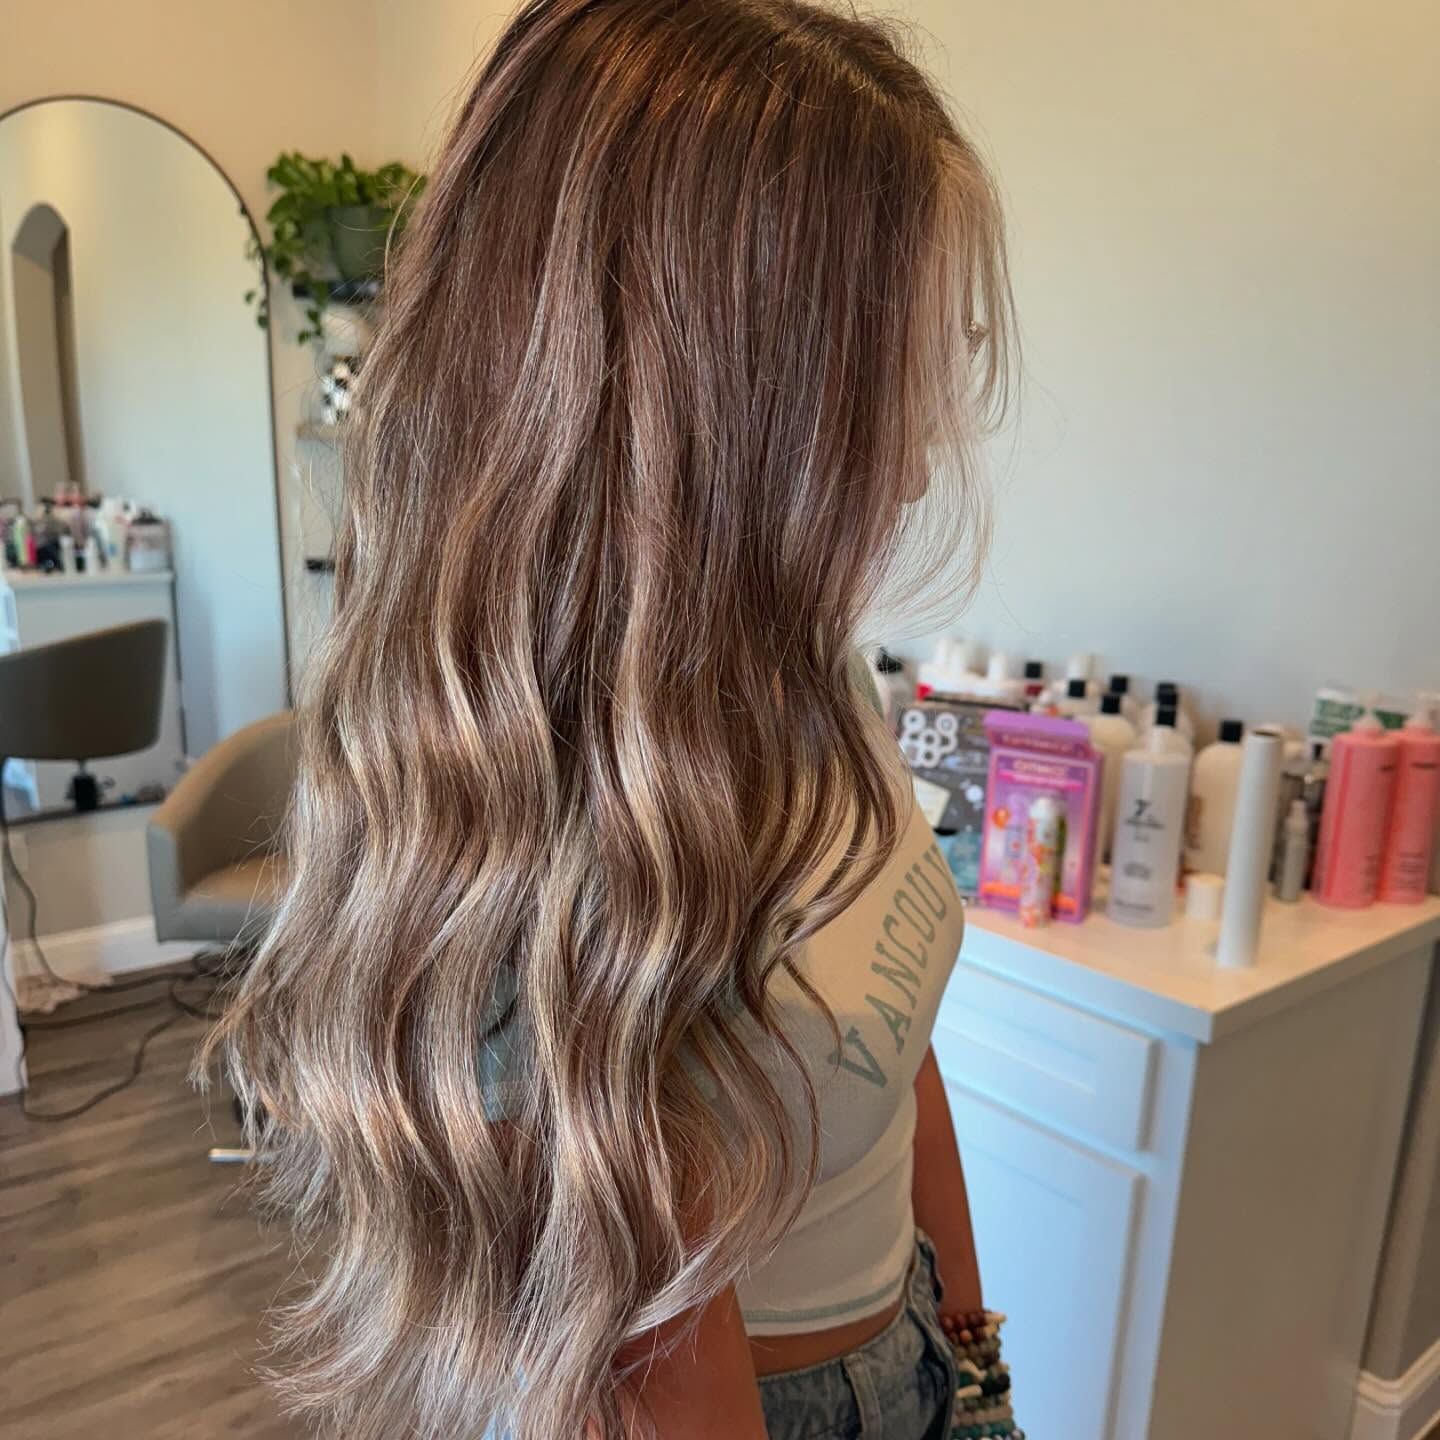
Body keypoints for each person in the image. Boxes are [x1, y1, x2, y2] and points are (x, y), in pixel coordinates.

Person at [207, 1, 1014, 1436]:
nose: (914, 462)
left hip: (913, 1348)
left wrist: (971, 1347)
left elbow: (897, 1042)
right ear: (725, 387)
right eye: (884, 374)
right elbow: (646, 1357)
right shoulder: (556, 825)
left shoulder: (806, 661)